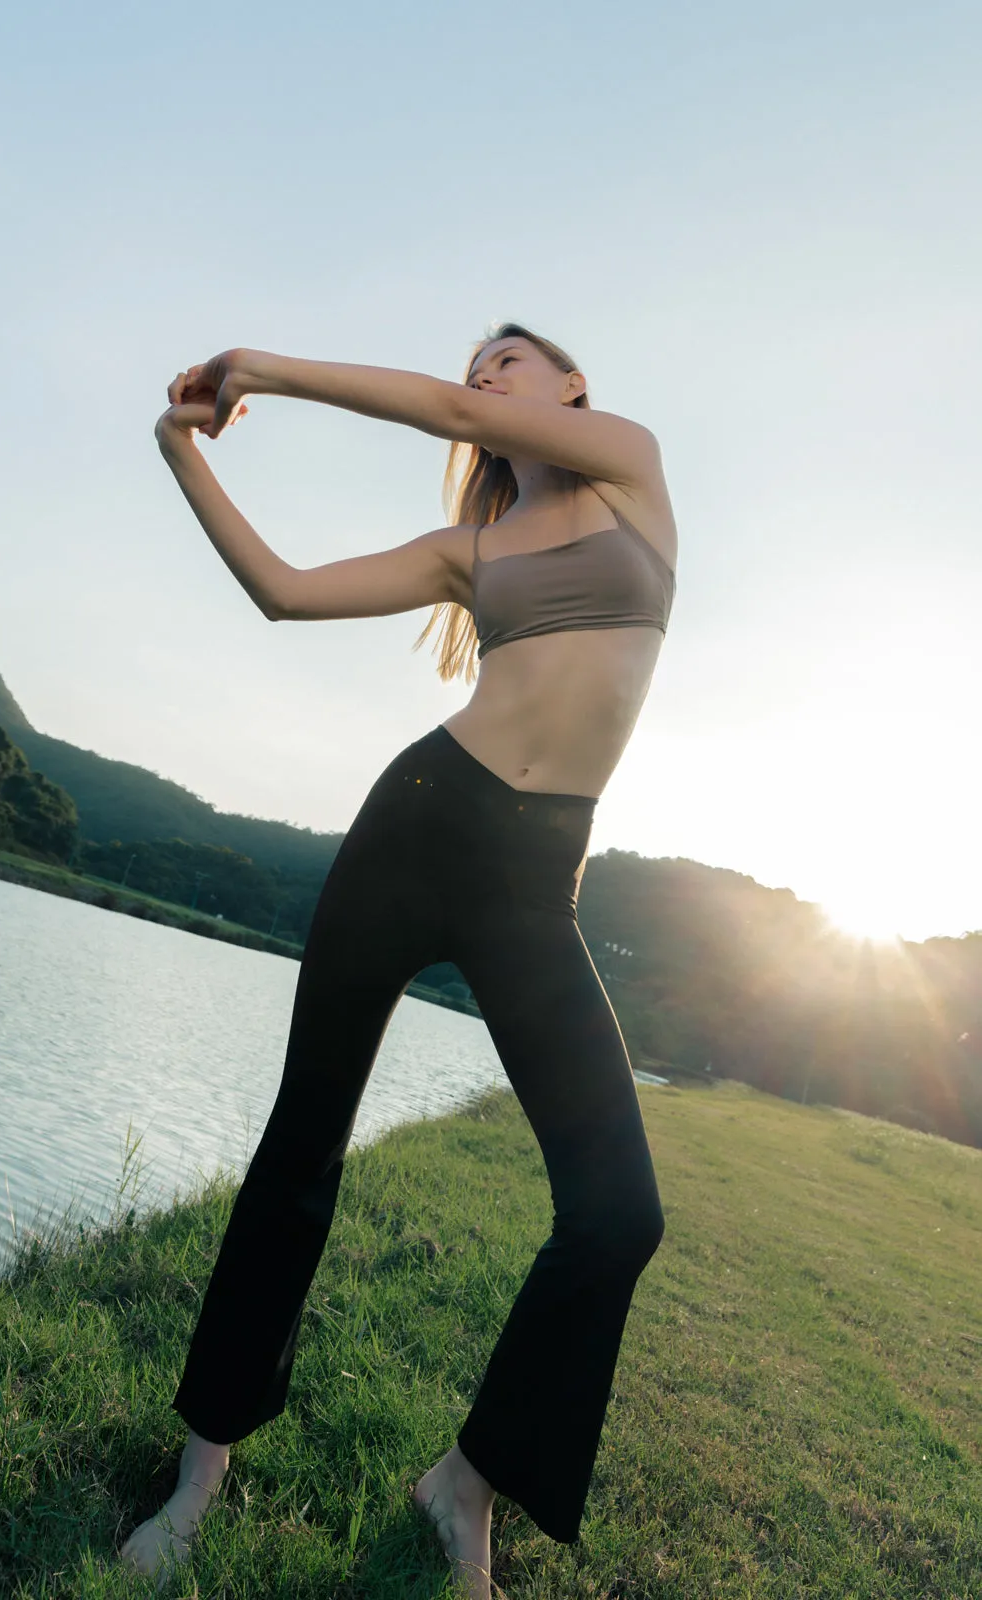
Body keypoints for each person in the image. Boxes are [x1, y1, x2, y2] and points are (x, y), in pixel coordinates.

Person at [120, 322, 678, 1597]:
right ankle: (199, 1471)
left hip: (535, 880)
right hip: (420, 822)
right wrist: (180, 451)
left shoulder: (632, 471)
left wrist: (262, 366)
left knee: (616, 1213)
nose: (484, 376)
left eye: (506, 359)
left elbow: (438, 408)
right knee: (303, 1140)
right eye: (475, 363)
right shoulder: (466, 553)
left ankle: (464, 1483)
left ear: (569, 388)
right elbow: (282, 587)